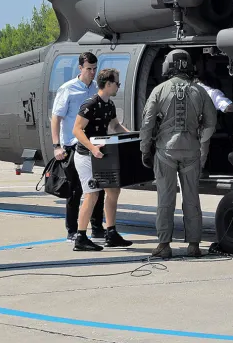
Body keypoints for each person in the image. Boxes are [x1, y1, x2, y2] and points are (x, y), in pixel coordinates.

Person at [139, 50, 217, 259]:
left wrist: (145, 150)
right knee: (192, 198)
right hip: (191, 151)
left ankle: (164, 245)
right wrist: (199, 142)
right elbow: (211, 124)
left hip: (165, 152)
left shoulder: (159, 90)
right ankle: (194, 245)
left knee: (165, 198)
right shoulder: (200, 91)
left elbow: (147, 124)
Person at [71, 67, 134, 251]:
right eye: (117, 83)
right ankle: (80, 237)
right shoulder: (90, 104)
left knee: (114, 190)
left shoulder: (109, 105)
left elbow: (115, 125)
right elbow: (77, 129)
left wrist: (133, 137)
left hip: (101, 155)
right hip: (85, 155)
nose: (118, 86)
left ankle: (111, 233)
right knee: (92, 194)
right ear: (108, 84)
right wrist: (92, 148)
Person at [49, 52, 105, 241]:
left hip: (93, 146)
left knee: (98, 188)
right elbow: (56, 118)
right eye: (89, 69)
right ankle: (72, 231)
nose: (92, 72)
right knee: (75, 191)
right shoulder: (68, 89)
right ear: (80, 68)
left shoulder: (97, 89)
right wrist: (57, 146)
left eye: (95, 69)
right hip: (73, 146)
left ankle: (97, 228)